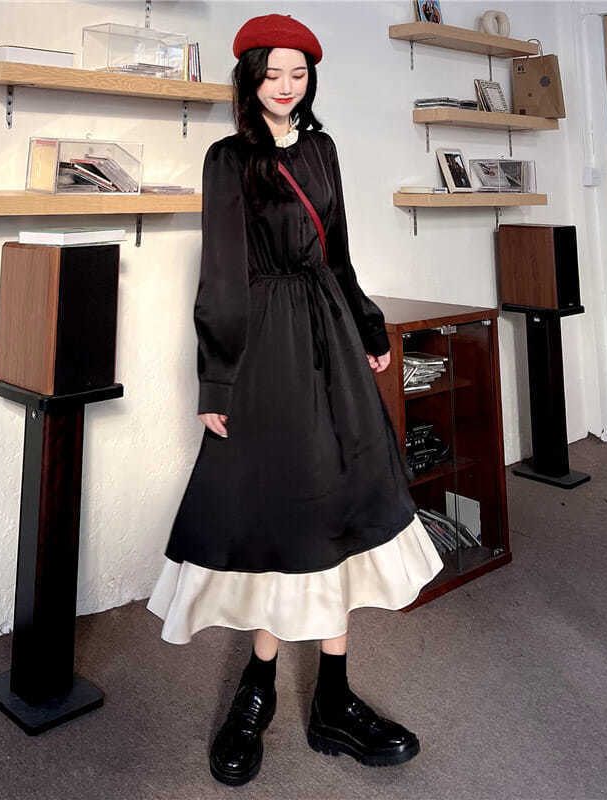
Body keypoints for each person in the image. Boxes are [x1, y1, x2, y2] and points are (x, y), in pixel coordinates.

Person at [146, 12, 444, 787]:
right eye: (272, 73)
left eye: (298, 73)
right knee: (282, 506)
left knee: (342, 499)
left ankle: (333, 700)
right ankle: (259, 689)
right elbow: (221, 276)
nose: (286, 86)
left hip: (332, 335)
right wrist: (217, 378)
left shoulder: (323, 148)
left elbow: (337, 253)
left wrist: (368, 325)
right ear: (250, 77)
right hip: (266, 347)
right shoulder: (227, 160)